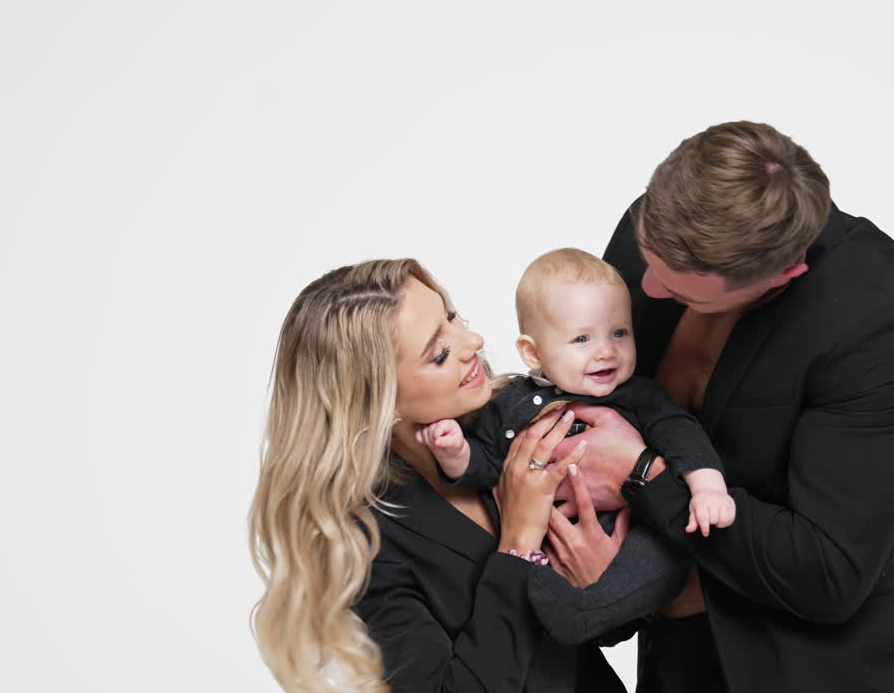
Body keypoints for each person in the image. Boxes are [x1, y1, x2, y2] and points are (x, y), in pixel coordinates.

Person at [553, 121, 894, 692]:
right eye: (649, 262)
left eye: (684, 293)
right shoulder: (663, 232)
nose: (651, 292)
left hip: (793, 670)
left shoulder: (883, 326)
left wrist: (641, 474)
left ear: (784, 274)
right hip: (666, 649)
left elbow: (828, 573)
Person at [248, 259, 632, 693]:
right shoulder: (365, 542)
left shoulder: (507, 428)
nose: (474, 341)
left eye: (451, 316)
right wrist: (519, 545)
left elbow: (606, 629)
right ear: (381, 400)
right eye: (440, 353)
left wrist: (603, 580)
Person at [420, 247, 735, 536]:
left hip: (627, 534)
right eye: (583, 339)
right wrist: (456, 453)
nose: (606, 352)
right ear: (533, 353)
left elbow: (683, 435)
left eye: (619, 333)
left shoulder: (639, 397)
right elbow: (487, 466)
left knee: (657, 558)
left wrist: (709, 488)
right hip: (545, 538)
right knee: (526, 579)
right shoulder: (509, 404)